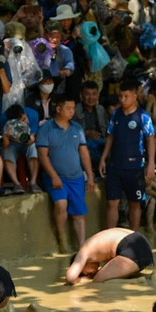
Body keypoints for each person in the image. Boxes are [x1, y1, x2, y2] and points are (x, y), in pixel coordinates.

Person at [36, 93, 94, 252]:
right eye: (68, 108)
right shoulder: (46, 129)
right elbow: (42, 155)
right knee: (61, 205)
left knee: (79, 213)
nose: (72, 111)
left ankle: (82, 246)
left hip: (76, 177)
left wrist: (90, 175)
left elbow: (84, 153)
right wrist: (54, 176)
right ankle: (61, 239)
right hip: (55, 176)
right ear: (58, 109)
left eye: (73, 108)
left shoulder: (77, 128)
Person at [98, 80, 156, 231]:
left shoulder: (143, 116)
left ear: (135, 96)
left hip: (135, 167)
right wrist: (104, 158)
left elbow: (150, 140)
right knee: (112, 202)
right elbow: (110, 136)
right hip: (115, 166)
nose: (122, 100)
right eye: (120, 96)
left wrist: (151, 164)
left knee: (134, 203)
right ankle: (109, 237)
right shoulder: (116, 114)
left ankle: (133, 236)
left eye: (126, 96)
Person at [65, 228, 154, 284]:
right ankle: (148, 277)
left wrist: (85, 278)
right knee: (111, 273)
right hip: (143, 244)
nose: (90, 273)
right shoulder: (95, 246)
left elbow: (70, 278)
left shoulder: (83, 251)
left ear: (82, 266)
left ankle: (134, 281)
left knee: (97, 281)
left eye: (85, 272)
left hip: (128, 248)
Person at [0, 103, 41, 194]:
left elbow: (32, 139)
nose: (24, 122)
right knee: (7, 152)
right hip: (13, 144)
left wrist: (25, 137)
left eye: (24, 119)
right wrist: (6, 136)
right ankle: (16, 184)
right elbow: (5, 144)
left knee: (34, 148)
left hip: (27, 143)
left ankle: (33, 182)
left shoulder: (32, 114)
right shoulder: (3, 119)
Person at [73, 80, 108, 170]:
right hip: (82, 146)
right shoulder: (75, 110)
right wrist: (86, 133)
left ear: (98, 95)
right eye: (87, 94)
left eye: (94, 94)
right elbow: (70, 131)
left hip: (100, 145)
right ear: (81, 96)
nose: (91, 98)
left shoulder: (101, 109)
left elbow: (107, 129)